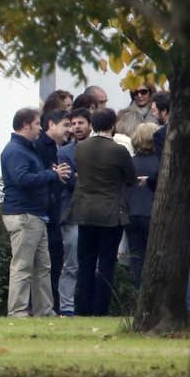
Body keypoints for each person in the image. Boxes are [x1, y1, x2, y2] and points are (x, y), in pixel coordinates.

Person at [1, 108, 71, 318]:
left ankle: (44, 310)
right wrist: (50, 174)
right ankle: (18, 311)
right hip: (23, 215)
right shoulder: (15, 151)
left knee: (43, 267)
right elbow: (22, 179)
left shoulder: (27, 149)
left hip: (36, 215)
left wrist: (49, 175)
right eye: (37, 123)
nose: (41, 128)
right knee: (22, 266)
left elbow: (31, 175)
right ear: (25, 125)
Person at [67, 108, 136, 316]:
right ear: (112, 124)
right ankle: (100, 307)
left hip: (85, 211)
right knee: (106, 262)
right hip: (110, 213)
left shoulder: (81, 148)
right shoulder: (118, 151)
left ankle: (82, 306)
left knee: (85, 261)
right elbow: (131, 178)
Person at [36, 109, 73, 313]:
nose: (70, 130)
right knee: (48, 261)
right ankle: (48, 306)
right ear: (51, 124)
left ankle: (52, 306)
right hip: (47, 213)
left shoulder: (57, 147)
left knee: (54, 261)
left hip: (54, 212)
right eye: (66, 125)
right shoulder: (43, 147)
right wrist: (52, 176)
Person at [56, 106, 92, 315]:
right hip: (73, 213)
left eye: (81, 123)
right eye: (73, 124)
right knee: (71, 263)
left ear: (90, 125)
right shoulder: (65, 152)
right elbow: (69, 180)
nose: (76, 127)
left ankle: (89, 306)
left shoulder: (99, 148)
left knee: (90, 263)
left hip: (96, 212)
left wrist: (82, 176)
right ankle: (67, 308)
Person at [125, 122, 160, 285]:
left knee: (136, 257)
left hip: (132, 214)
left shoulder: (130, 163)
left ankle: (138, 293)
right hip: (153, 213)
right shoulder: (161, 163)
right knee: (155, 257)